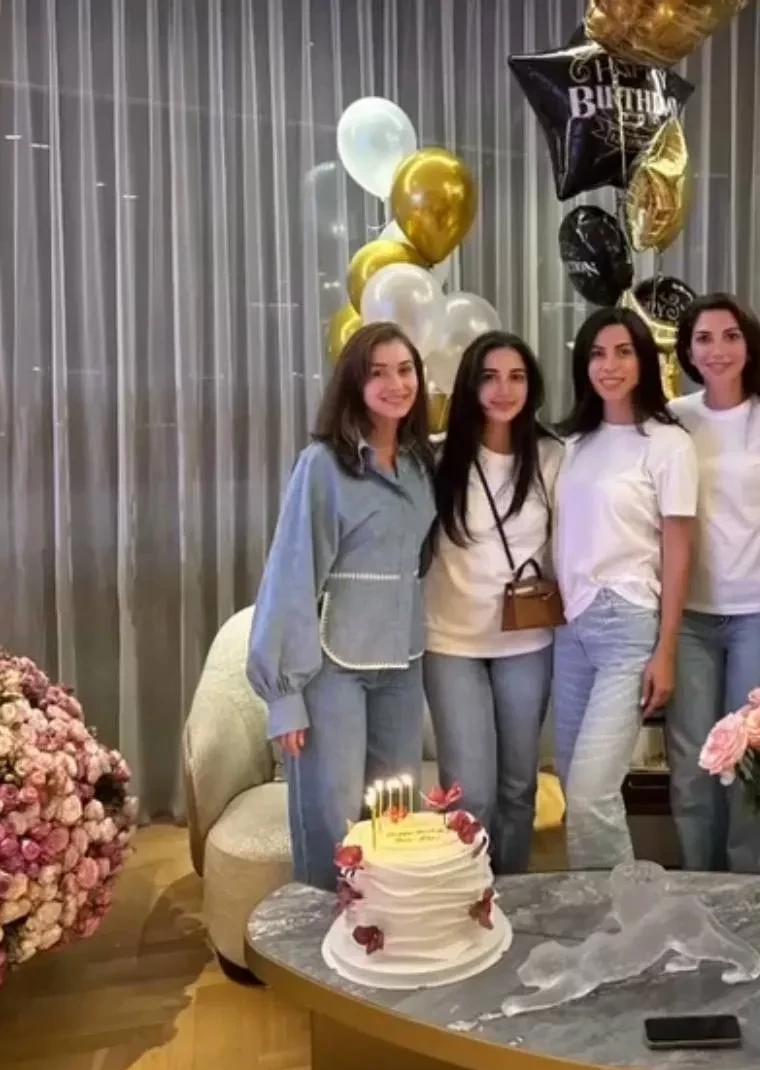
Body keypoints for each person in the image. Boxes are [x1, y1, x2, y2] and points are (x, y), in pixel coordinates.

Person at [246, 322, 436, 891]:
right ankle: (321, 932)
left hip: (402, 664)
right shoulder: (323, 465)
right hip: (333, 668)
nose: (395, 384)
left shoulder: (421, 465)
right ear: (354, 383)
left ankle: (382, 925)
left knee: (394, 815)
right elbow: (291, 572)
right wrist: (284, 696)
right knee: (333, 818)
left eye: (405, 370)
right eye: (378, 372)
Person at [665, 293, 760, 873]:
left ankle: (749, 890)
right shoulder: (674, 417)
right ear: (687, 350)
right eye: (703, 338)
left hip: (759, 613)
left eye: (730, 336)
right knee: (693, 761)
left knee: (751, 758)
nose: (717, 350)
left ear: (749, 344)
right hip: (689, 616)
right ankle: (698, 884)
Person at [553, 306, 698, 869]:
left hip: (628, 624)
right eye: (596, 354)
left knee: (593, 793)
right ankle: (597, 903)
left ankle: (621, 912)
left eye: (622, 352)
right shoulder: (571, 443)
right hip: (570, 626)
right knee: (575, 785)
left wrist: (667, 649)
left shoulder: (668, 444)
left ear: (644, 361)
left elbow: (678, 552)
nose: (608, 365)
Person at [424, 332, 563, 875]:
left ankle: (512, 896)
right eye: (489, 377)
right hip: (450, 641)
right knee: (470, 792)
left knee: (518, 787)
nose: (504, 389)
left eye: (516, 377)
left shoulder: (552, 457)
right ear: (469, 385)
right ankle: (467, 898)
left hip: (527, 641)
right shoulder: (436, 458)